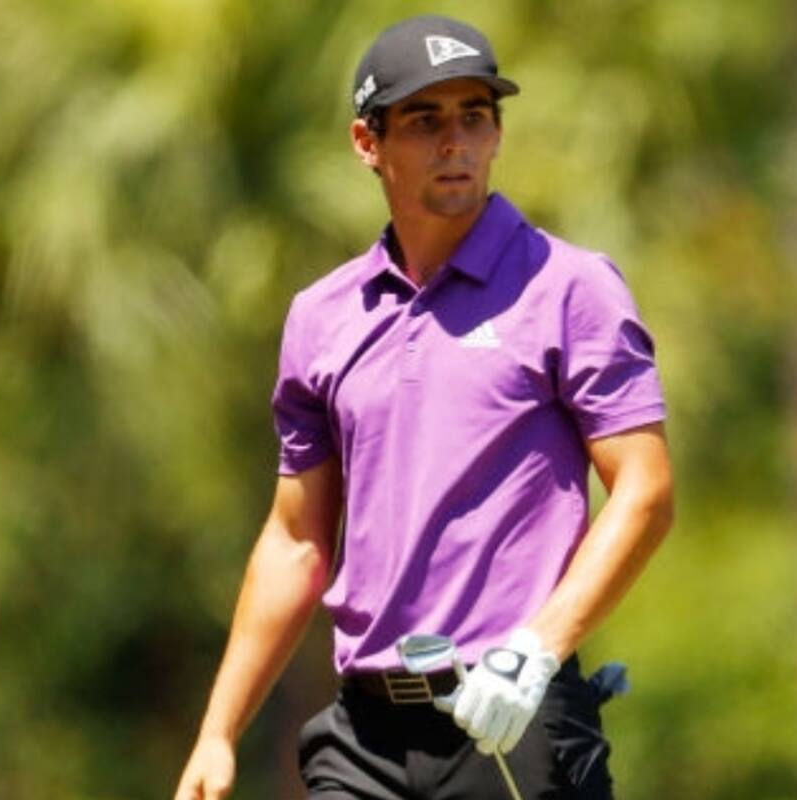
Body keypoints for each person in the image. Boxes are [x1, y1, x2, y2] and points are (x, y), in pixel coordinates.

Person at [175, 14, 673, 800]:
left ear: (498, 133)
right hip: (362, 740)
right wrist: (218, 731)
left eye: (475, 116)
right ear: (367, 143)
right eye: (424, 120)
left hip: (509, 720)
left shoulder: (569, 287)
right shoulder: (324, 316)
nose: (455, 141)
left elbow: (644, 493)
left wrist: (537, 651)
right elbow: (297, 539)